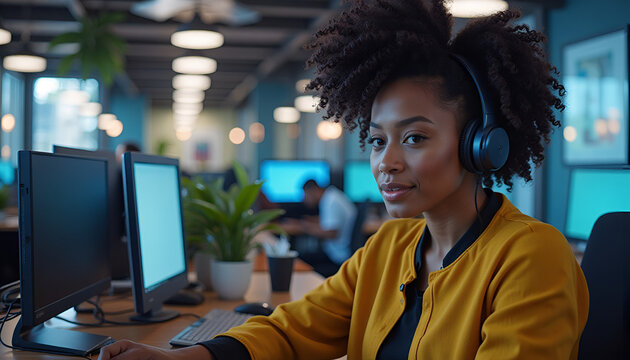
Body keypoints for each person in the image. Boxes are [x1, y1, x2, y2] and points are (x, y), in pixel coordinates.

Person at [98, 1, 588, 359]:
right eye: (377, 141)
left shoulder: (529, 256)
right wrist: (185, 357)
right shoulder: (390, 245)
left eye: (414, 138)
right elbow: (292, 330)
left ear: (479, 143)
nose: (386, 162)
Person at [291, 179, 357, 277]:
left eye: (305, 195)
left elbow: (331, 233)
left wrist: (304, 227)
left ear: (312, 190)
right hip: (339, 252)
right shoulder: (332, 195)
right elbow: (330, 220)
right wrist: (309, 221)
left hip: (337, 257)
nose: (304, 199)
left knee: (299, 259)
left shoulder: (331, 201)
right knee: (301, 257)